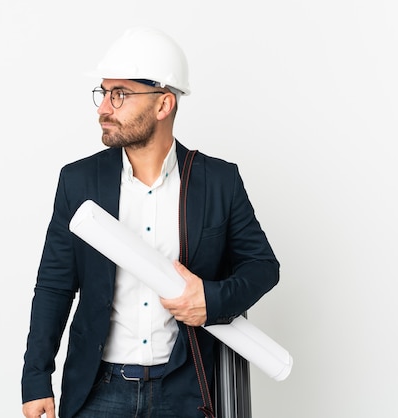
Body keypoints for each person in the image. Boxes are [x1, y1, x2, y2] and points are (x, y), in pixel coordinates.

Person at [21, 26, 280, 418]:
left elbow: (263, 268)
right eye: (103, 93)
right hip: (98, 390)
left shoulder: (218, 181)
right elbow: (55, 286)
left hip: (187, 389)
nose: (103, 108)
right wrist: (36, 378)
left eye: (119, 94)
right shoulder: (79, 182)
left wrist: (209, 301)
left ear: (164, 105)